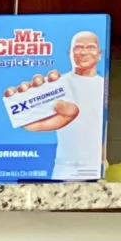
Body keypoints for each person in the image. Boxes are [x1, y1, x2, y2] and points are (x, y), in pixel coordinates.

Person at [29, 30, 106, 179]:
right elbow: (31, 119)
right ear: (70, 53)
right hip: (65, 168)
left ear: (99, 53)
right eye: (78, 47)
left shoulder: (105, 86)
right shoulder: (57, 85)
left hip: (97, 167)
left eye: (90, 47)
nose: (84, 52)